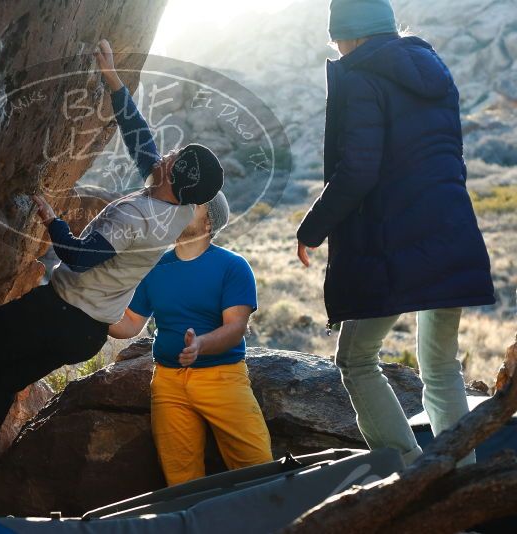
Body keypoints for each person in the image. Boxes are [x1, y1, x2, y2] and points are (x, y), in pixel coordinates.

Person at [0, 39, 224, 477]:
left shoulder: (137, 217)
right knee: (2, 379)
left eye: (174, 157)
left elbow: (79, 258)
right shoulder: (180, 208)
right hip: (86, 333)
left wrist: (52, 221)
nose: (166, 154)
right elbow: (142, 144)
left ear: (173, 173)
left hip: (61, 313)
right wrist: (113, 81)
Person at [296, 0, 495, 466]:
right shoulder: (434, 69)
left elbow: (358, 170)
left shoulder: (361, 76)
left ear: (350, 35)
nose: (338, 51)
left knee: (356, 361)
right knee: (441, 367)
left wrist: (314, 227)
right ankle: (459, 482)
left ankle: (407, 474)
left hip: (391, 242)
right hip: (451, 233)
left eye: (337, 42)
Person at [110, 191, 272, 486]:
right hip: (168, 383)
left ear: (209, 222)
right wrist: (92, 315)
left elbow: (235, 327)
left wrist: (200, 345)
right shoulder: (154, 267)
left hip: (222, 378)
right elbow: (130, 323)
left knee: (258, 471)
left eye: (192, 205)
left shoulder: (233, 266)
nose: (180, 208)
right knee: (181, 482)